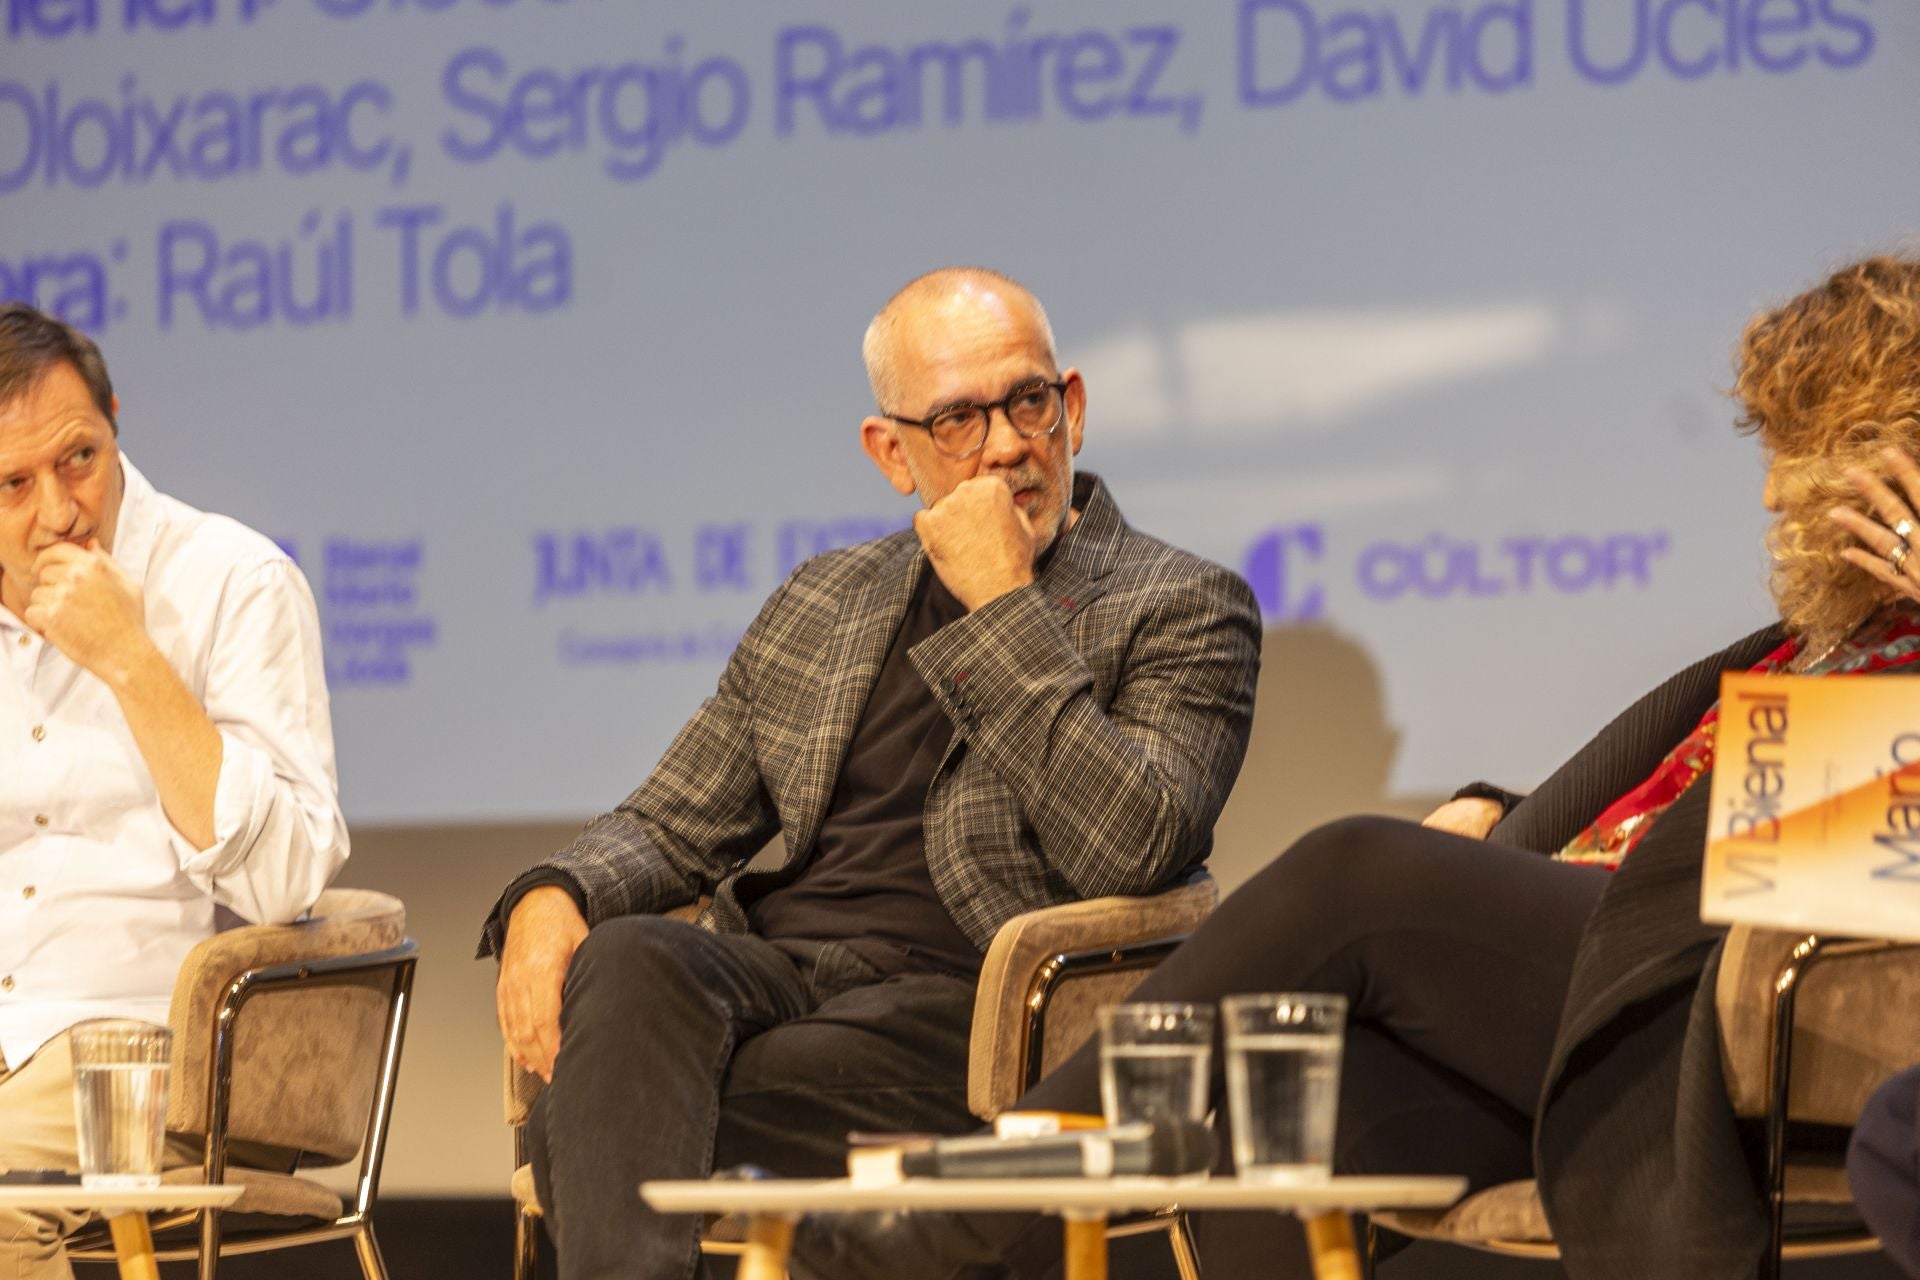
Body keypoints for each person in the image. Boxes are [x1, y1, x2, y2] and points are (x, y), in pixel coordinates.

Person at [789, 256, 1920, 1280]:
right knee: (1280, 1105)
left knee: (1352, 873)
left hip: (1712, 975)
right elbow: (1677, 801)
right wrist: (1507, 818)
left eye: (1806, 458)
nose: (1773, 497)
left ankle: (975, 1206)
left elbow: (1800, 839)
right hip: (1621, 951)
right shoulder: (1800, 641)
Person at [480, 267, 1263, 1279]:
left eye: (1028, 401)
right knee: (627, 957)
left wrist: (1000, 604)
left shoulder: (1182, 604)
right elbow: (674, 820)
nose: (1008, 443)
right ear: (892, 452)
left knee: (601, 1113)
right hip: (790, 982)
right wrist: (553, 890)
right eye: (957, 419)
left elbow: (1135, 840)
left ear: (1071, 405)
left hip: (980, 1005)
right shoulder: (826, 599)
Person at [0, 303, 348, 1280]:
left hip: (139, 1050)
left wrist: (133, 661)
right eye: (12, 484)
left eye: (78, 457)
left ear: (115, 418)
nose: (59, 510)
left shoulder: (233, 582)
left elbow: (286, 879)